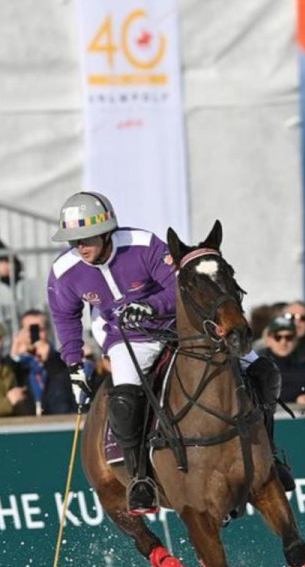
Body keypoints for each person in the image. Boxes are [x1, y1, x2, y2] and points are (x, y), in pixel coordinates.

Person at [45, 191, 291, 514]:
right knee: (124, 399)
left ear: (106, 232)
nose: (80, 247)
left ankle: (269, 454)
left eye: (86, 238)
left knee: (263, 372)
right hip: (128, 338)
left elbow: (177, 287)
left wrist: (148, 306)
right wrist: (74, 363)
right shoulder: (65, 270)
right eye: (74, 240)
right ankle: (140, 479)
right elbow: (65, 316)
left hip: (178, 324)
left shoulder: (142, 245)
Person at [10, 309, 74, 415]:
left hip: (57, 421)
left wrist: (48, 360)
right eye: (29, 330)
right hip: (25, 424)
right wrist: (15, 354)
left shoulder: (61, 361)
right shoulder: (17, 363)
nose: (33, 335)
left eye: (38, 329)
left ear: (47, 332)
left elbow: (64, 384)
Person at [261, 316, 305, 403]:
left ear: (296, 340)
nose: (283, 342)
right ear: (268, 340)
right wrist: (295, 400)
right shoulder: (258, 368)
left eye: (289, 337)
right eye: (278, 337)